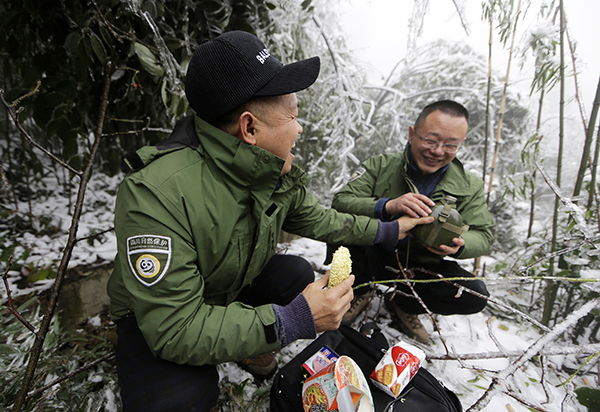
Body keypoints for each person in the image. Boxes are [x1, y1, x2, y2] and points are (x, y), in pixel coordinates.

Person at [106, 31, 432, 412]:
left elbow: (322, 220)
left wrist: (389, 228)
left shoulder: (269, 172)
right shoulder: (156, 194)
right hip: (163, 317)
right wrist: (291, 320)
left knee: (294, 273)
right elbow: (175, 328)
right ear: (249, 129)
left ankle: (244, 345)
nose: (300, 128)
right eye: (293, 115)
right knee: (176, 401)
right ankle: (234, 345)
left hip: (227, 285)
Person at [330, 100, 495, 344]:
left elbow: (484, 234)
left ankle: (404, 303)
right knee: (342, 229)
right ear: (411, 134)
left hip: (419, 265)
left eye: (451, 145)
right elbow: (341, 202)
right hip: (371, 249)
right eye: (430, 140)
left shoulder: (469, 185)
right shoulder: (381, 165)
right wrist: (387, 206)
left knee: (475, 295)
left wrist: (459, 245)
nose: (438, 151)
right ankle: (360, 290)